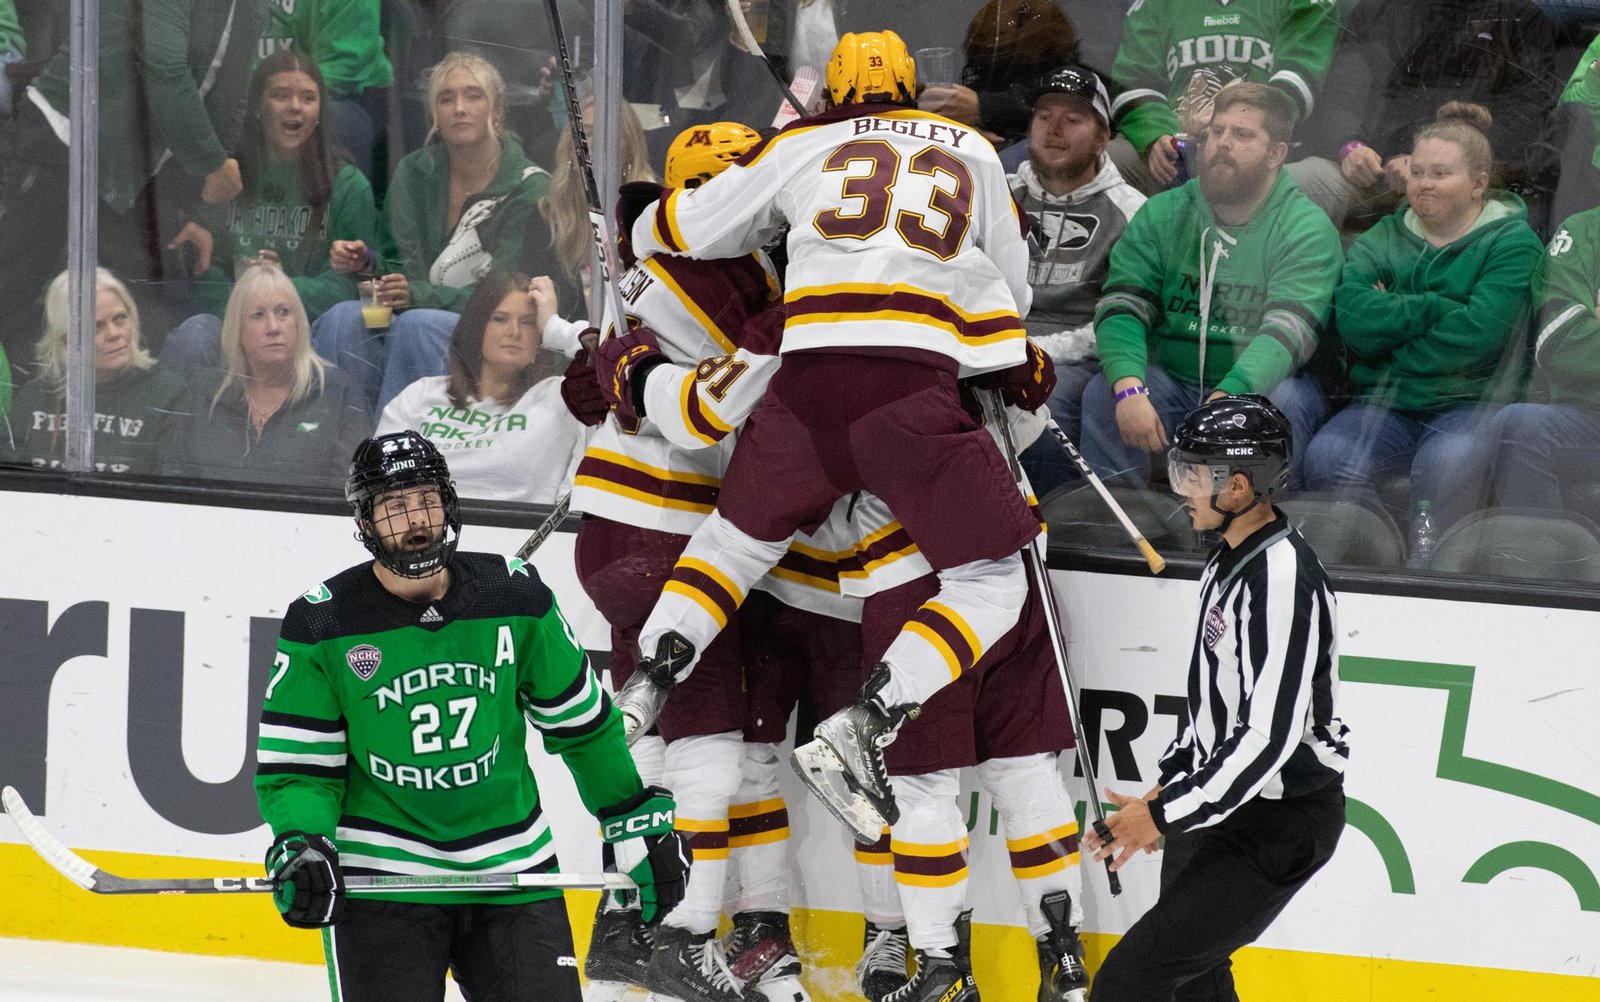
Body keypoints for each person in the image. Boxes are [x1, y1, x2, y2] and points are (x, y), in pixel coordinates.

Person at [606, 30, 1046, 838]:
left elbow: (693, 228)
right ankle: (868, 722)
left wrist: (641, 221)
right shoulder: (976, 151)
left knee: (733, 545)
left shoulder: (801, 141)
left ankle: (652, 675)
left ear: (833, 94)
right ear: (913, 87)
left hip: (806, 387)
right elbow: (1012, 292)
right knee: (993, 581)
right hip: (909, 394)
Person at [253, 430, 692, 1002]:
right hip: (384, 878)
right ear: (364, 522)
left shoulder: (516, 599)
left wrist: (630, 816)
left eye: (427, 500)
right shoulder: (324, 624)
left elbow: (584, 730)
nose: (415, 520)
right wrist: (302, 839)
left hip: (513, 868)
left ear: (448, 505)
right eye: (394, 507)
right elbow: (301, 770)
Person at [566, 120, 818, 1002]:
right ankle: (679, 937)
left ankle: (625, 912)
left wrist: (612, 365)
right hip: (671, 532)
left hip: (608, 531)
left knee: (652, 741)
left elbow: (583, 382)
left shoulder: (644, 260)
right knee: (706, 740)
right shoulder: (733, 283)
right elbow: (719, 410)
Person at [1084, 394, 1350, 1002]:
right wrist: (1166, 790)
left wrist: (1162, 814)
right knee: (1194, 983)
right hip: (1225, 806)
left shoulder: (1282, 581)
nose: (1182, 488)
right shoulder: (1225, 559)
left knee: (1130, 982)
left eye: (1193, 475)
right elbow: (1214, 708)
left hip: (1280, 822)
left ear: (1237, 487)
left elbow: (1267, 738)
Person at [1080, 83, 1342, 490]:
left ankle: (1257, 539)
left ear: (1276, 155)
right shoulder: (1164, 213)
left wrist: (1227, 399)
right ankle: (1123, 536)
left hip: (1263, 386)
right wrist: (1129, 387)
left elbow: (1287, 335)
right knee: (1105, 392)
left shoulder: (1305, 228)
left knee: (1281, 405)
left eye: (1242, 135)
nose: (1222, 144)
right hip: (1173, 379)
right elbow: (1121, 306)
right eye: (1216, 132)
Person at [1304, 103, 1544, 539]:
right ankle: (1374, 554)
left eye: (1439, 173)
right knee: (1327, 457)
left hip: (1470, 403)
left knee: (1447, 466)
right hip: (1385, 404)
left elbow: (1479, 336)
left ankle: (1430, 571)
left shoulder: (1513, 243)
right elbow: (1355, 322)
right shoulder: (1382, 236)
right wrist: (1436, 308)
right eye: (1416, 172)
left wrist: (1392, 322)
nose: (1423, 184)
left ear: (1478, 185)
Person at [0, 0, 266, 377]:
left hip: (132, 169)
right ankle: (21, 418)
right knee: (15, 287)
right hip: (64, 135)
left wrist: (202, 212)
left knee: (134, 307)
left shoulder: (252, 8)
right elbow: (166, 70)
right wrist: (211, 164)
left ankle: (118, 421)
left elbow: (230, 102)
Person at [314, 52, 558, 414]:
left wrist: (417, 296)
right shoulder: (414, 171)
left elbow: (507, 293)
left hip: (490, 327)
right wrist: (368, 265)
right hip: (414, 310)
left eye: (473, 96)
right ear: (434, 115)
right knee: (343, 318)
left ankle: (407, 459)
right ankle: (342, 446)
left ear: (498, 112)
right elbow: (398, 263)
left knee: (418, 325)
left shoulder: (530, 187)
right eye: (447, 98)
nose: (459, 107)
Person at [161, 50, 378, 369]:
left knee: (345, 323)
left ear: (319, 112)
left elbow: (349, 285)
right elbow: (203, 271)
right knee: (194, 335)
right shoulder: (228, 174)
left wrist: (281, 289)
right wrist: (249, 305)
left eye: (308, 98)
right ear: (258, 107)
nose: (294, 107)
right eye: (280, 95)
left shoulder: (349, 184)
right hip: (231, 325)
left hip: (310, 329)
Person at [1008, 64, 1145, 495]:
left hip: (1075, 362)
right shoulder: (998, 196)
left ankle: (1056, 530)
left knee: (1042, 402)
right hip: (995, 349)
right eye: (1044, 116)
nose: (1055, 129)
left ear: (1104, 137)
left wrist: (1036, 351)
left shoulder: (1134, 212)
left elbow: (1125, 317)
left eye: (1073, 119)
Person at [376, 271, 581, 505]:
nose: (514, 331)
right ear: (476, 328)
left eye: (527, 322)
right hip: (427, 532)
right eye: (500, 319)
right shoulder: (418, 396)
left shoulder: (563, 398)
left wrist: (556, 327)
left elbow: (615, 370)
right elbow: (381, 487)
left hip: (520, 534)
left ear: (541, 335)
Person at [161, 263, 372, 487]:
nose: (273, 327)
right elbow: (172, 483)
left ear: (299, 323)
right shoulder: (203, 393)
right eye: (258, 315)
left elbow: (355, 497)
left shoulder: (339, 394)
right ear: (237, 329)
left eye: (283, 312)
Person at [1104, 0, 1339, 196]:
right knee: (1106, 160)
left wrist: (1237, 123)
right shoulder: (1154, 5)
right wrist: (1157, 136)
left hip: (1257, 148)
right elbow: (1133, 81)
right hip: (1175, 150)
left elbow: (1299, 76)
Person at [4, 268, 182, 474]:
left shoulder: (168, 394)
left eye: (120, 318)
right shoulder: (36, 395)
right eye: (96, 327)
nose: (115, 334)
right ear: (66, 339)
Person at [1485, 206, 1600, 511]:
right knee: (1519, 427)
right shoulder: (1581, 232)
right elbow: (1559, 341)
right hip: (1590, 418)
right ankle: (1546, 552)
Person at [256, 0, 394, 177]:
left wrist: (272, 100)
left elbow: (343, 66)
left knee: (335, 121)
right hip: (257, 97)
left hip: (343, 96)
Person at [917, 0, 1080, 148]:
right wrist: (964, 130)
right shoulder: (963, 16)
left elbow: (1072, 102)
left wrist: (983, 107)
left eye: (1022, 20)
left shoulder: (1068, 77)